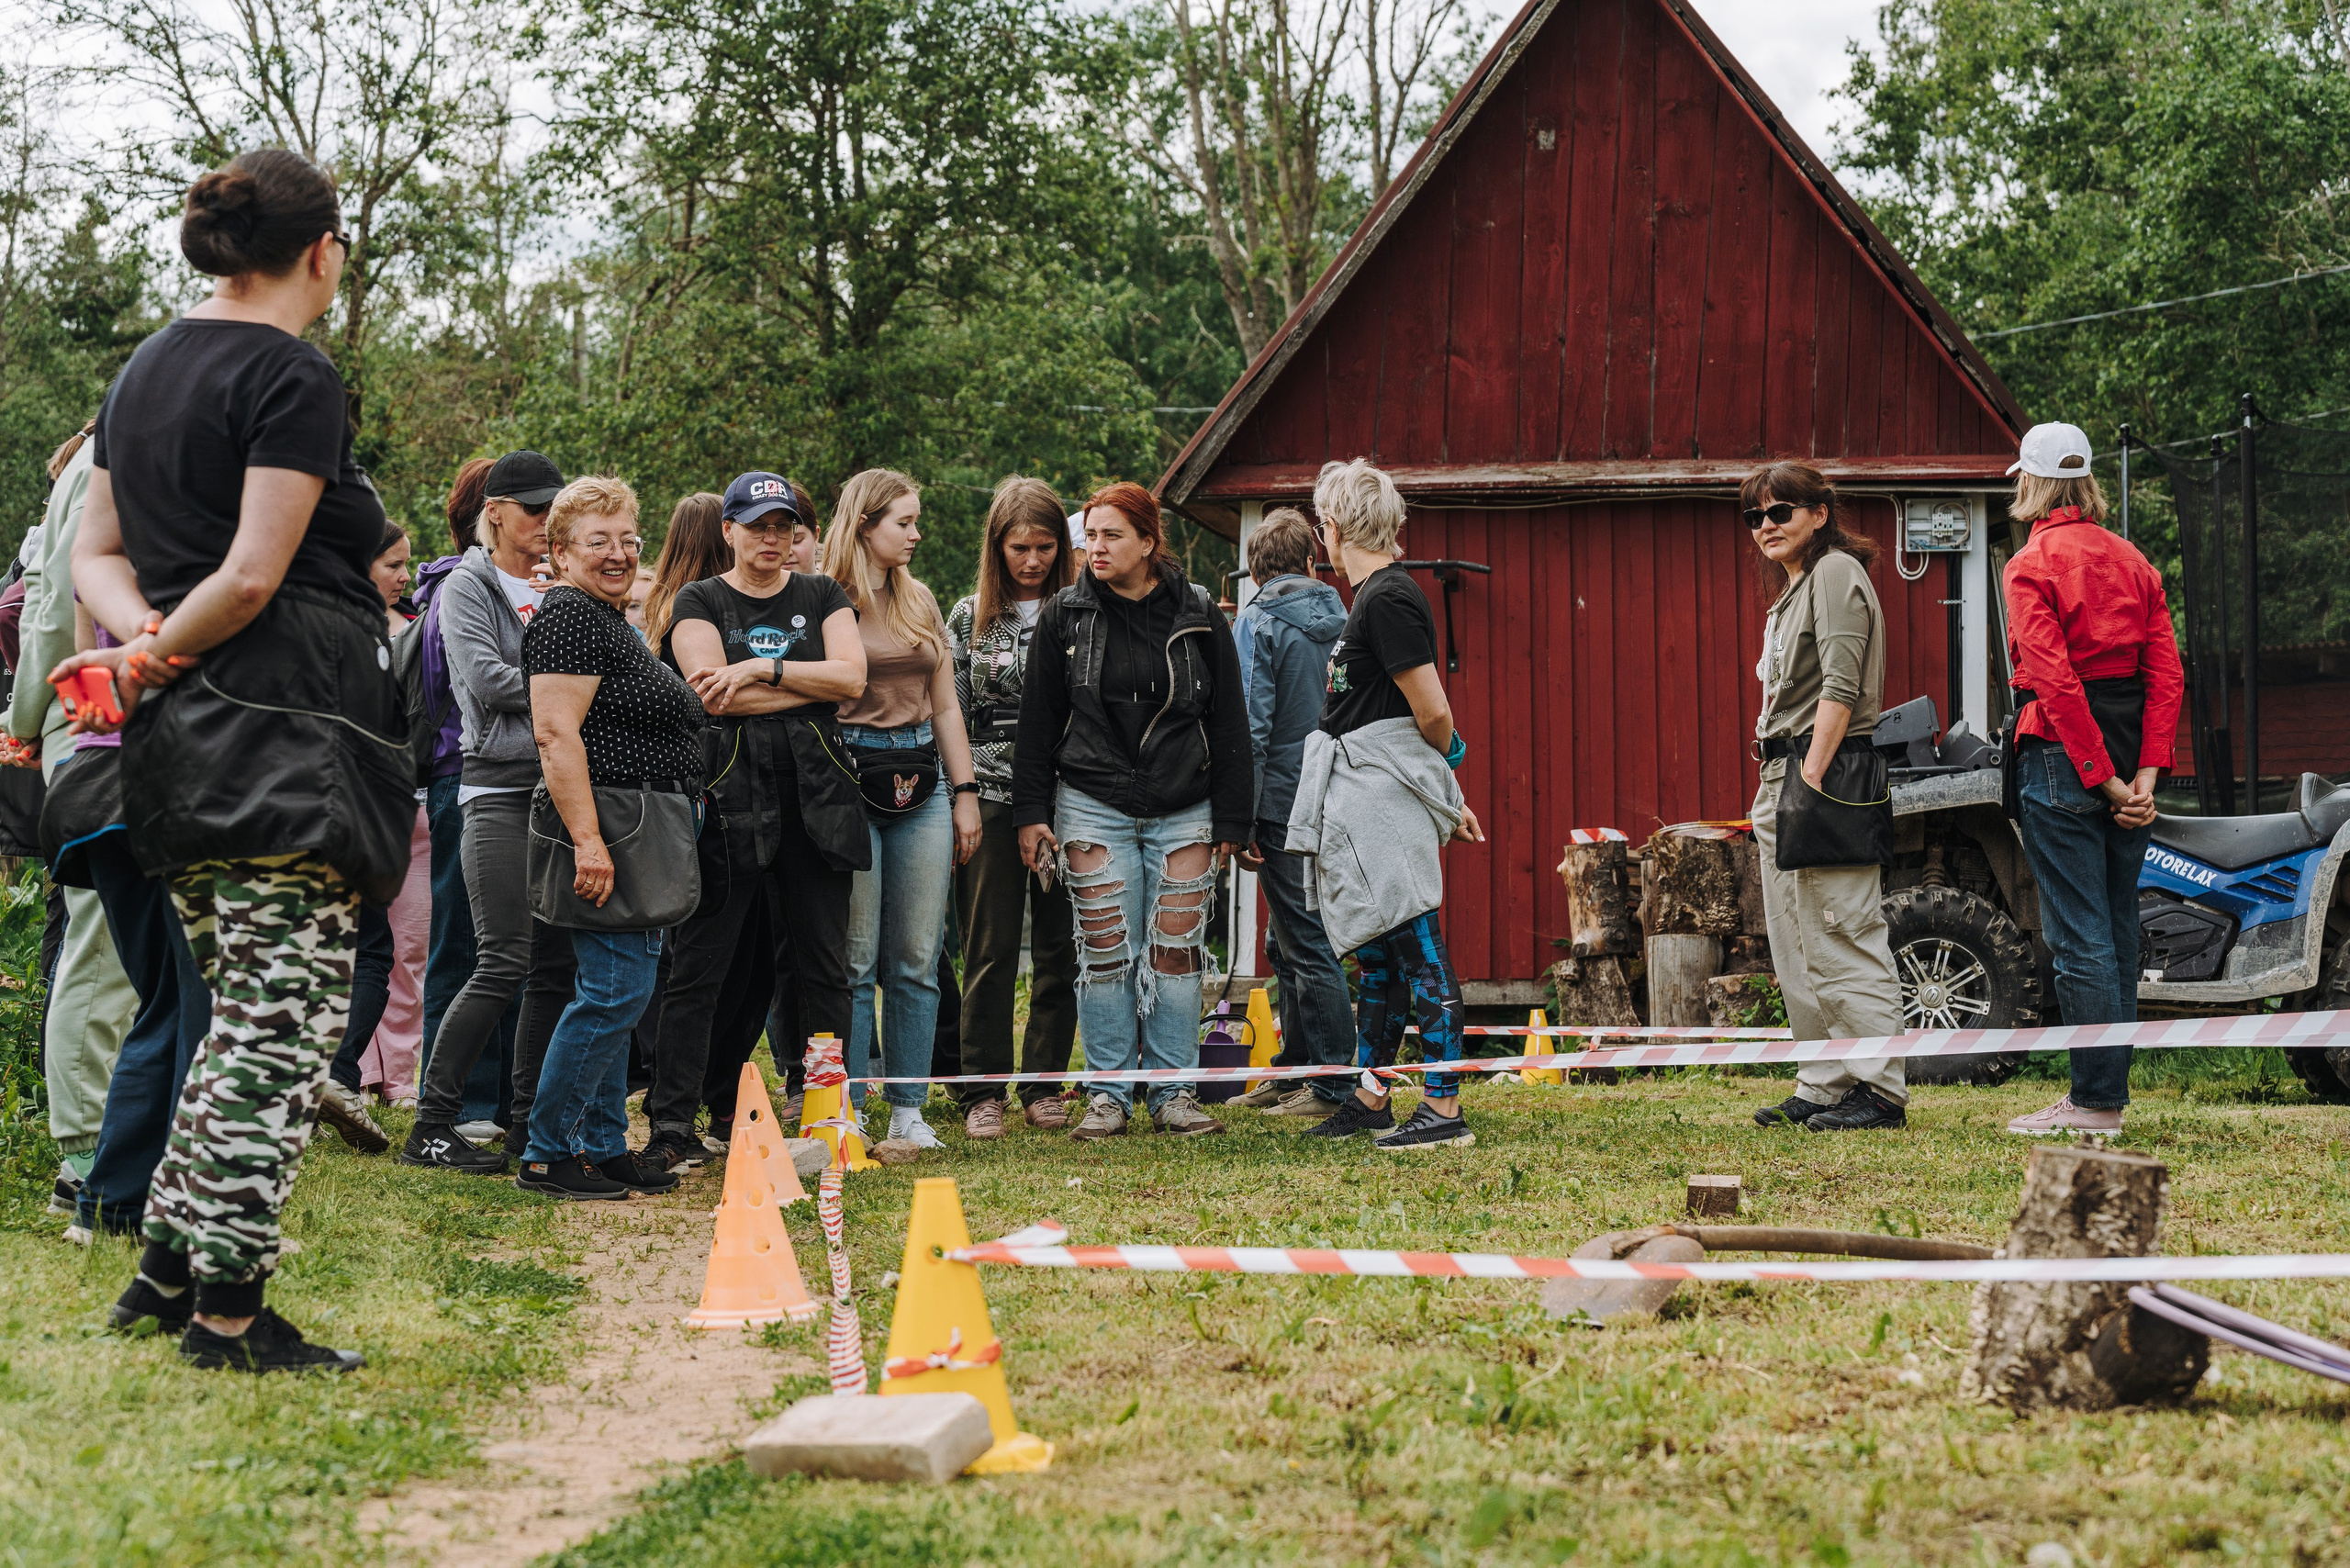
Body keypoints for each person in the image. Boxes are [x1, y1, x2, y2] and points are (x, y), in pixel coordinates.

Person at [64, 147, 413, 1370]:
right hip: (283, 732)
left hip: (186, 741)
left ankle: (161, 1275)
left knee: (241, 1026)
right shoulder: (288, 370)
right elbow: (257, 572)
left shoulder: (147, 366)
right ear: (321, 250)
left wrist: (144, 641)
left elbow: (92, 557)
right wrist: (160, 654)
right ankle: (229, 1316)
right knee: (281, 1035)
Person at [1013, 481, 1250, 1141]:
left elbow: (1230, 718)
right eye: (1090, 533)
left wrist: (1234, 818)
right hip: (1092, 802)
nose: (1095, 545)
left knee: (1177, 952)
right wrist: (1032, 814)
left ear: (1149, 542)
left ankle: (1173, 1091)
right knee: (1107, 952)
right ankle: (1109, 1094)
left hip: (1186, 804)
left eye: (1112, 534)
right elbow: (1038, 724)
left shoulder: (1200, 611)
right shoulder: (1064, 614)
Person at [647, 471, 869, 1173]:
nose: (773, 538)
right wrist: (804, 681)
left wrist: (762, 672)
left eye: (785, 526)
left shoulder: (822, 592)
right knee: (700, 967)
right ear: (729, 531)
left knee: (823, 966)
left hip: (819, 801)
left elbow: (854, 681)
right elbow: (711, 696)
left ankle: (826, 1111)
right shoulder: (699, 598)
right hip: (728, 800)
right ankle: (672, 1124)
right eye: (758, 526)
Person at [1286, 461, 1485, 1151]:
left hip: (1380, 800)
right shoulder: (1371, 597)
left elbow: (1431, 711)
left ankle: (1442, 1104)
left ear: (1333, 529)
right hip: (1359, 800)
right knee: (1378, 957)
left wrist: (1448, 765)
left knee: (1418, 948)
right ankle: (1372, 1095)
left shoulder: (1389, 598)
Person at [517, 476, 704, 1199]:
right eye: (599, 541)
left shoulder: (608, 618)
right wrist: (588, 841)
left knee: (624, 990)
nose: (620, 553)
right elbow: (554, 733)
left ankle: (599, 1142)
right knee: (611, 992)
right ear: (560, 552)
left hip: (643, 824)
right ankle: (546, 1151)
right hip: (611, 827)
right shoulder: (568, 618)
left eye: (628, 538)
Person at [1999, 423, 2185, 1137]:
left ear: (2034, 483)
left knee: (2080, 938)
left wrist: (2101, 780)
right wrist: (2143, 777)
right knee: (2114, 928)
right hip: (2128, 761)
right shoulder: (2135, 560)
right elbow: (2165, 676)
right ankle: (2104, 1094)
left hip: (2061, 758)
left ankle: (2095, 1102)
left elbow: (2055, 680)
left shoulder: (2030, 564)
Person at [404, 448, 573, 1173]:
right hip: (495, 785)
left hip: (564, 785)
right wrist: (575, 684)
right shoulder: (466, 586)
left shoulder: (559, 582)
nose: (546, 523)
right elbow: (491, 681)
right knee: (496, 959)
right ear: (494, 513)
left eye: (554, 510)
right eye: (535, 510)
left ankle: (527, 1121)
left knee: (552, 966)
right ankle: (434, 1121)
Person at [1738, 461, 1908, 1134]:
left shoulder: (1836, 573)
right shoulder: (1795, 589)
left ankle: (1880, 1089)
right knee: (1798, 941)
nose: (1767, 526)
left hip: (1825, 772)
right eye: (1755, 517)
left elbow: (1841, 686)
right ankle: (1826, 1080)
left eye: (1782, 511)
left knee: (1844, 930)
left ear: (1820, 512)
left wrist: (1809, 776)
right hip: (1783, 775)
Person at [822, 469, 981, 1150]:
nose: (916, 534)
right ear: (864, 524)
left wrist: (965, 793)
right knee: (856, 961)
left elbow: (946, 704)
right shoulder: (824, 601)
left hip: (922, 780)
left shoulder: (920, 599)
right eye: (904, 523)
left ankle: (909, 1114)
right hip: (850, 773)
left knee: (917, 957)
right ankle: (848, 1111)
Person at [13, 421, 139, 1215]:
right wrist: (42, 718)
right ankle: (84, 1162)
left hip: (172, 725)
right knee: (102, 948)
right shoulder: (106, 456)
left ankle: (134, 1151)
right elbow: (54, 604)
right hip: (97, 710)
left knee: (150, 955)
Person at [947, 476, 1080, 1137]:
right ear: (996, 546)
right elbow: (953, 709)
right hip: (991, 795)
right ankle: (982, 1089)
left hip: (1069, 797)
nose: (1032, 561)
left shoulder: (1085, 610)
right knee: (991, 944)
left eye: (1045, 547)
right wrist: (960, 794)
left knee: (1062, 944)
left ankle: (1045, 1082)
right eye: (1019, 548)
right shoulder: (969, 617)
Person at [1226, 508, 1354, 1120]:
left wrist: (1241, 815)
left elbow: (1250, 722)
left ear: (1254, 572)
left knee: (1306, 940)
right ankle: (1297, 1070)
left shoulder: (1256, 622)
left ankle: (1331, 1088)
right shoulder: (1346, 618)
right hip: (1338, 793)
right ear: (1311, 563)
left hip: (1279, 798)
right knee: (1290, 939)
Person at [321, 523, 431, 1130]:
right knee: (369, 949)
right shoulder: (358, 631)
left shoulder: (384, 627)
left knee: (377, 949)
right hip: (352, 810)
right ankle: (338, 1076)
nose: (404, 577)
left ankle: (341, 1076)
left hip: (354, 806)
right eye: (393, 564)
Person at [413, 457, 510, 1126]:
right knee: (466, 947)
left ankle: (503, 1097)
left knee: (506, 948)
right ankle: (462, 1101)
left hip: (499, 777)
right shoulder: (461, 591)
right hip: (463, 777)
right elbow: (477, 687)